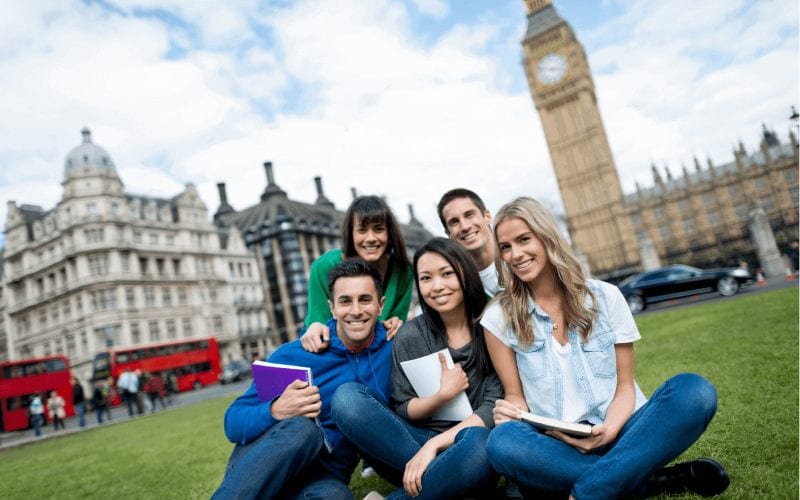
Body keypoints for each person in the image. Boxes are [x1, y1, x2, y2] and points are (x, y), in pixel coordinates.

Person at [480, 197, 730, 499]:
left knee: (694, 391)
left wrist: (609, 429)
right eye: (506, 247)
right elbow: (515, 396)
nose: (516, 254)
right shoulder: (499, 317)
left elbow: (625, 388)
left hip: (622, 431)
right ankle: (651, 481)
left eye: (524, 240)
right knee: (502, 440)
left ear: (547, 237)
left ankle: (591, 489)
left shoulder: (606, 297)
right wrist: (509, 412)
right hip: (557, 445)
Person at [332, 238, 502, 499]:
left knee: (480, 443)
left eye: (446, 274)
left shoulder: (491, 326)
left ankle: (433, 487)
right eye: (426, 278)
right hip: (411, 448)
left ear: (465, 273)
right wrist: (442, 396)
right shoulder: (411, 335)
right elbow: (404, 407)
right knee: (346, 398)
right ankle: (448, 482)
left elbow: (492, 410)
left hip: (469, 445)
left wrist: (434, 447)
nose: (437, 286)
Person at [212, 259, 394, 499]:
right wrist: (274, 410)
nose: (356, 310)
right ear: (332, 308)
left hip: (323, 478)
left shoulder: (394, 349)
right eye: (345, 301)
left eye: (365, 299)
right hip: (265, 464)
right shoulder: (293, 355)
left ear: (380, 305)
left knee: (336, 496)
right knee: (303, 429)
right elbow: (233, 421)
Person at [301, 195, 414, 352]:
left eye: (379, 229)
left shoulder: (403, 270)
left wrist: (396, 323)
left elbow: (396, 322)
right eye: (362, 230)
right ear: (351, 234)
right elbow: (318, 324)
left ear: (389, 233)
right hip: (330, 348)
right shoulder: (323, 266)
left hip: (378, 348)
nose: (371, 238)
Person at [437, 188, 500, 297]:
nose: (465, 227)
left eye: (469, 215)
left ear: (487, 217)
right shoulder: (457, 288)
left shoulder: (520, 258)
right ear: (448, 234)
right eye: (454, 222)